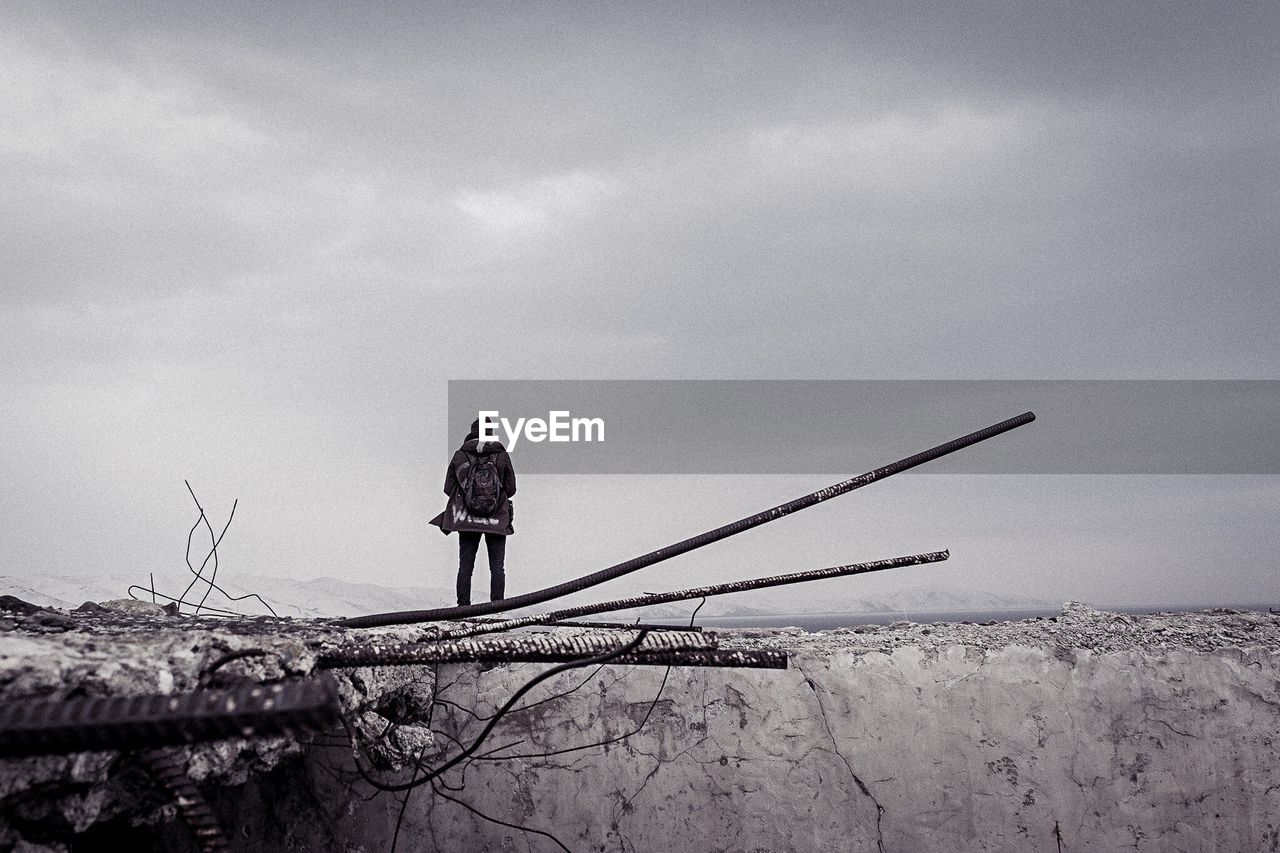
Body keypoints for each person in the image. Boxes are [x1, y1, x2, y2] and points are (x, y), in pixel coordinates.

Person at [429, 417, 517, 606]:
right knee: (497, 567)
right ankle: (497, 607)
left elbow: (447, 488)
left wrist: (469, 497)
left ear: (472, 431)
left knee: (465, 566)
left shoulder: (460, 455)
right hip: (496, 520)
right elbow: (511, 489)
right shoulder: (501, 455)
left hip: (465, 518)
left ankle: (463, 607)